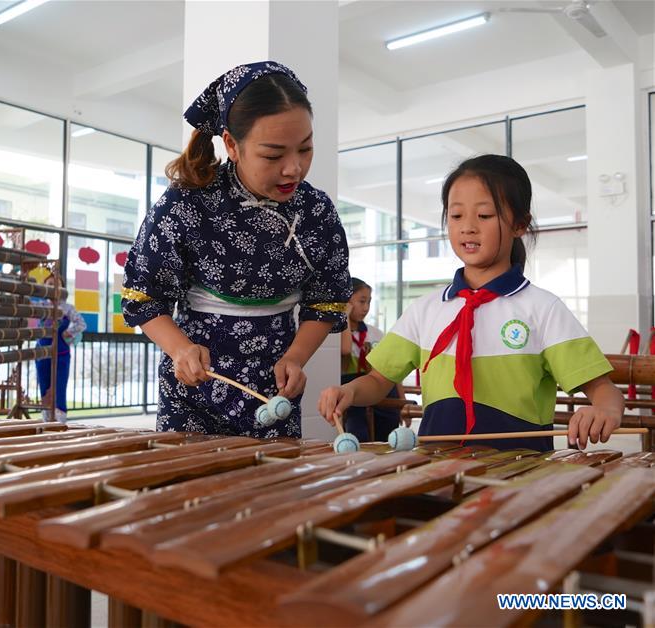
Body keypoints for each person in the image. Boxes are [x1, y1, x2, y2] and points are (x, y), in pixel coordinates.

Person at [319, 154, 624, 451]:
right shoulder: (425, 310)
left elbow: (603, 389)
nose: (468, 227)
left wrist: (604, 410)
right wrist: (349, 391)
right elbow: (378, 380)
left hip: (520, 472)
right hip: (437, 467)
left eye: (484, 215)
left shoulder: (543, 309)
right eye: (456, 215)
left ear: (519, 224)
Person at [122, 61, 351, 438]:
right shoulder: (186, 203)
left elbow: (327, 300)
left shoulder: (317, 211)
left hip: (274, 389)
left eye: (305, 149)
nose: (294, 169)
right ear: (231, 144)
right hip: (194, 387)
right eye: (273, 155)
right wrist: (180, 349)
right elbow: (144, 295)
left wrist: (296, 357)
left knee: (270, 475)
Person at [340, 277, 404, 442]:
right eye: (361, 302)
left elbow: (391, 369)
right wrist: (344, 315)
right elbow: (345, 350)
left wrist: (402, 402)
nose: (366, 308)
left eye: (368, 302)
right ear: (347, 301)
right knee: (358, 433)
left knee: (388, 432)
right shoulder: (339, 334)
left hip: (379, 388)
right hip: (352, 389)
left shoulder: (375, 333)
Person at [35, 279, 86, 423]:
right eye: (49, 284)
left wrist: (67, 333)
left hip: (61, 353)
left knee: (60, 387)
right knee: (44, 386)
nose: (53, 287)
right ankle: (46, 420)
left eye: (57, 284)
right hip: (42, 352)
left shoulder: (68, 308)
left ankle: (60, 422)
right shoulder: (40, 306)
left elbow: (81, 324)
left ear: (63, 288)